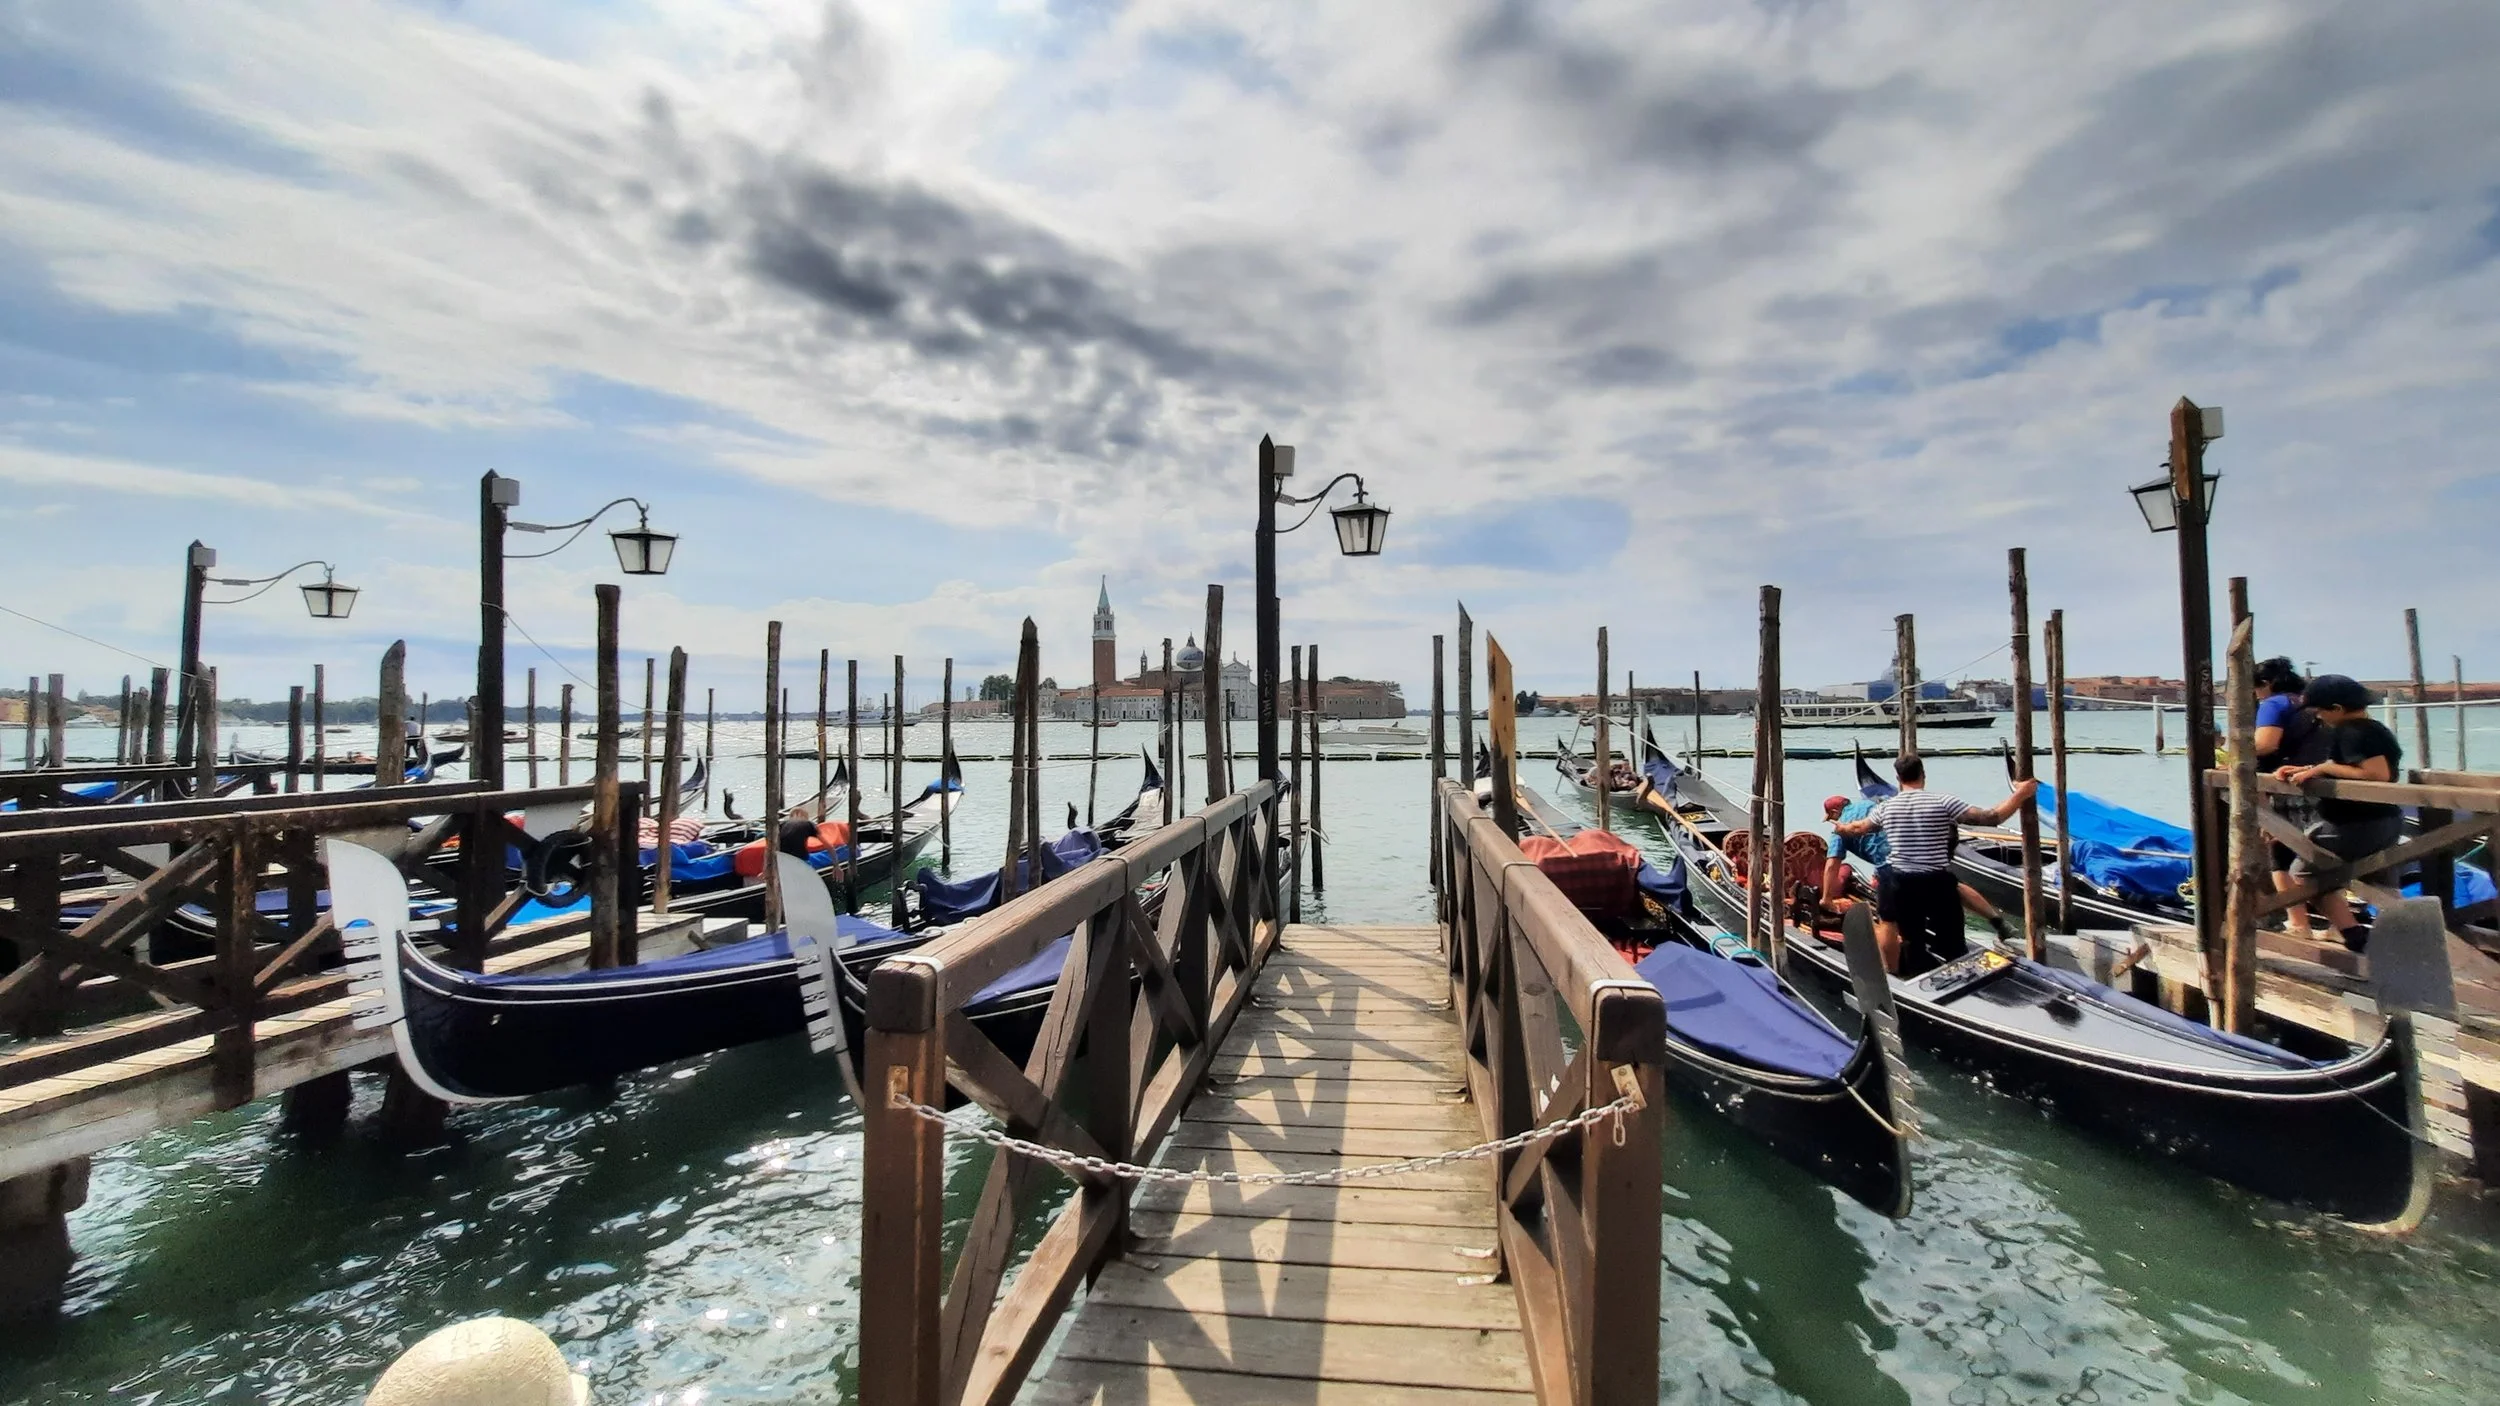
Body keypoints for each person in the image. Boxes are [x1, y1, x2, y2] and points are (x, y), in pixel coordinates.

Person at [1834, 754, 2038, 976]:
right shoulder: (1944, 802)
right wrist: (2021, 794)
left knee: (1899, 931)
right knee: (1952, 942)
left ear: (1898, 778)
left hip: (1900, 881)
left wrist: (1842, 828)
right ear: (1923, 775)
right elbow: (1993, 817)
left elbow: (1859, 828)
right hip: (1937, 881)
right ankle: (1960, 974)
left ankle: (1893, 973)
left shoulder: (1886, 808)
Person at [2276, 674, 2402, 953]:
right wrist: (2308, 769)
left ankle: (2353, 934)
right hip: (2386, 819)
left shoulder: (2351, 731)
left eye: (2320, 712)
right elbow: (2351, 766)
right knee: (2379, 881)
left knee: (2305, 873)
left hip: (2354, 823)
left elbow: (2376, 774)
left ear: (2337, 708)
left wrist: (2321, 770)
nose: (2319, 718)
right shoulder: (2374, 729)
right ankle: (2397, 939)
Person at [2251, 658, 2328, 937]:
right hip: (2323, 784)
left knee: (2280, 853)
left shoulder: (2274, 704)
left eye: (2256, 689)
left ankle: (2298, 923)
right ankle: (2335, 925)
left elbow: (2266, 744)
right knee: (2321, 857)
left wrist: (2233, 749)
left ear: (2266, 684)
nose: (2256, 695)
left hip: (2291, 785)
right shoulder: (2308, 702)